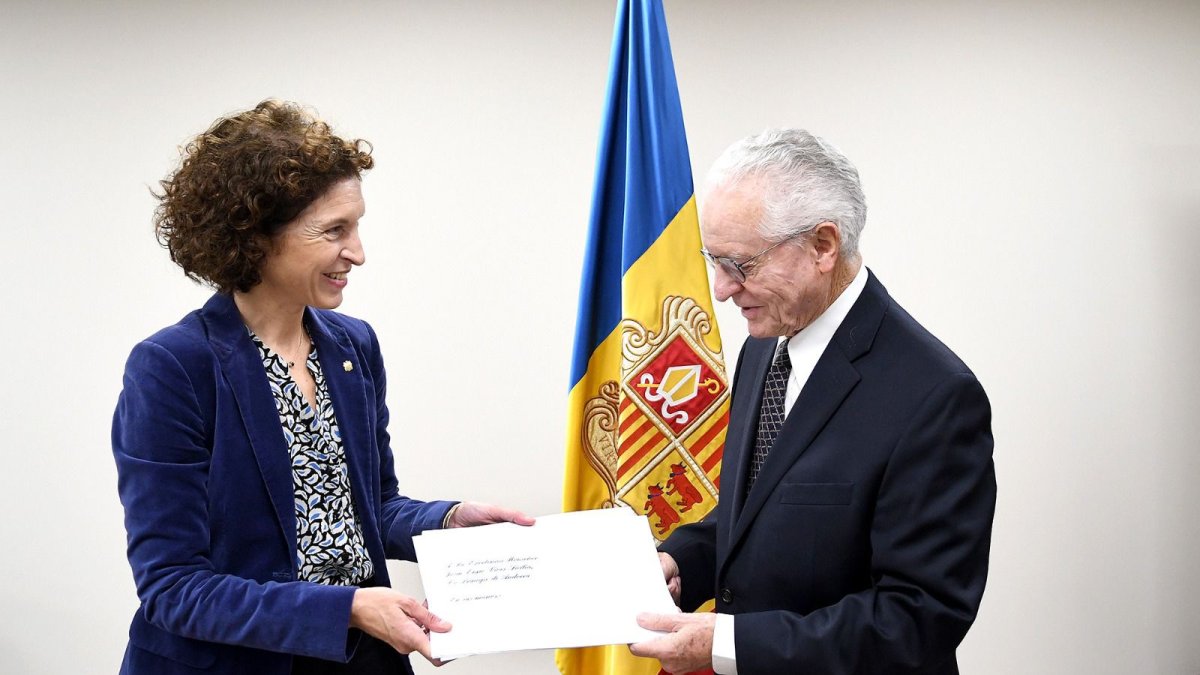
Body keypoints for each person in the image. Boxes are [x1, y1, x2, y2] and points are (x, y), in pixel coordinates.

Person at [112, 100, 533, 675]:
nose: (357, 252)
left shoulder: (353, 346)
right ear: (256, 236)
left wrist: (448, 520)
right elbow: (173, 587)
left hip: (359, 659)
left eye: (356, 226)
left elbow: (368, 510)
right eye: (335, 231)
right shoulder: (173, 368)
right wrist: (348, 608)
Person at [630, 128, 996, 674]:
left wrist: (728, 645)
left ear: (823, 246)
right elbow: (758, 511)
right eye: (713, 259)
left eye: (740, 264)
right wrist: (683, 560)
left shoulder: (936, 397)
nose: (721, 288)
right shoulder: (767, 343)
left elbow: (917, 620)